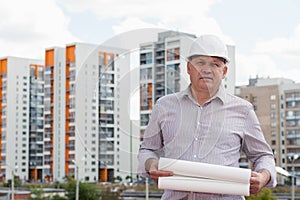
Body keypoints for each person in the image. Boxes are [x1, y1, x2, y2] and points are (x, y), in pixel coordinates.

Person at [138, 34, 277, 199]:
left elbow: (263, 155)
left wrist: (263, 176)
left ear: (224, 71)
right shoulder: (164, 106)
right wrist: (151, 164)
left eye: (215, 64)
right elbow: (147, 149)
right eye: (200, 63)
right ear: (189, 68)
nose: (206, 69)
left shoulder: (243, 110)